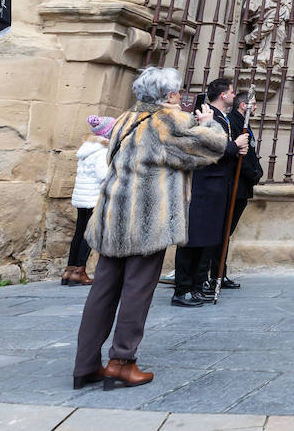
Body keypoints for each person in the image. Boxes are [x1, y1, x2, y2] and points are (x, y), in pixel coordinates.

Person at [72, 67, 228, 390]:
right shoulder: (168, 122)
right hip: (147, 220)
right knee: (137, 290)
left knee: (102, 290)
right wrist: (207, 122)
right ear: (169, 95)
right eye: (176, 92)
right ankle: (121, 362)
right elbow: (214, 147)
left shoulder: (125, 120)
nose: (179, 97)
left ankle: (85, 364)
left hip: (113, 217)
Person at [171, 77, 247, 307]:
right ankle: (183, 288)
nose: (234, 95)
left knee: (207, 238)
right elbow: (206, 148)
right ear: (223, 95)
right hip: (203, 185)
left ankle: (196, 285)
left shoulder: (221, 117)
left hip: (217, 186)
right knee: (193, 237)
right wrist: (235, 146)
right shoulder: (204, 113)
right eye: (232, 92)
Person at [218, 91, 264, 289]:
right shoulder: (234, 122)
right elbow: (239, 156)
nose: (255, 108)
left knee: (226, 232)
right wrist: (253, 174)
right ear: (244, 106)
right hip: (237, 184)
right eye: (253, 104)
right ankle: (217, 273)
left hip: (243, 185)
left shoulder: (242, 123)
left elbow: (250, 153)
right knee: (223, 231)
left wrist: (257, 170)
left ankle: (220, 272)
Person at [62, 115, 114, 287]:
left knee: (79, 232)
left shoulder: (86, 149)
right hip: (93, 198)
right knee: (89, 234)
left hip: (82, 197)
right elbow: (102, 175)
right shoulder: (101, 151)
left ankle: (69, 271)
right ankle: (79, 271)